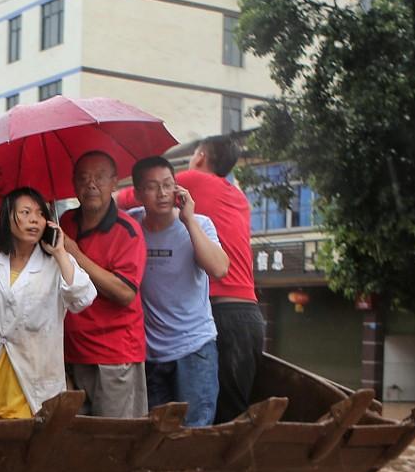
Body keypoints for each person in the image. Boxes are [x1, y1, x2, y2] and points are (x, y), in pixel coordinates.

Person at [0, 188, 95, 420]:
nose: (34, 219)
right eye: (25, 212)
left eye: (40, 214)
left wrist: (60, 252)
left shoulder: (56, 261)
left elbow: (82, 298)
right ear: (7, 216)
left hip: (36, 374)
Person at [129, 157, 230, 427]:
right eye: (152, 187)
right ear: (138, 194)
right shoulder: (130, 225)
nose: (162, 193)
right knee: (155, 435)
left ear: (178, 189)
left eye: (167, 185)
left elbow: (220, 269)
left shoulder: (199, 224)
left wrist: (189, 222)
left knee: (195, 433)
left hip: (195, 348)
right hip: (151, 353)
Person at [178, 134, 265, 422]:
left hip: (220, 314)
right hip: (250, 317)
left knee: (207, 412)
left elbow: (139, 194)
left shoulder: (192, 181)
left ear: (200, 156)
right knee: (233, 412)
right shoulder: (239, 198)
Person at [59, 150, 149, 418]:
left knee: (114, 441)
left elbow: (124, 293)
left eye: (99, 177)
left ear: (114, 183)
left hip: (114, 356)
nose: (91, 185)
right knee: (74, 441)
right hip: (70, 352)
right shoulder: (65, 223)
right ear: (74, 185)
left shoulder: (128, 230)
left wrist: (75, 254)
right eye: (84, 178)